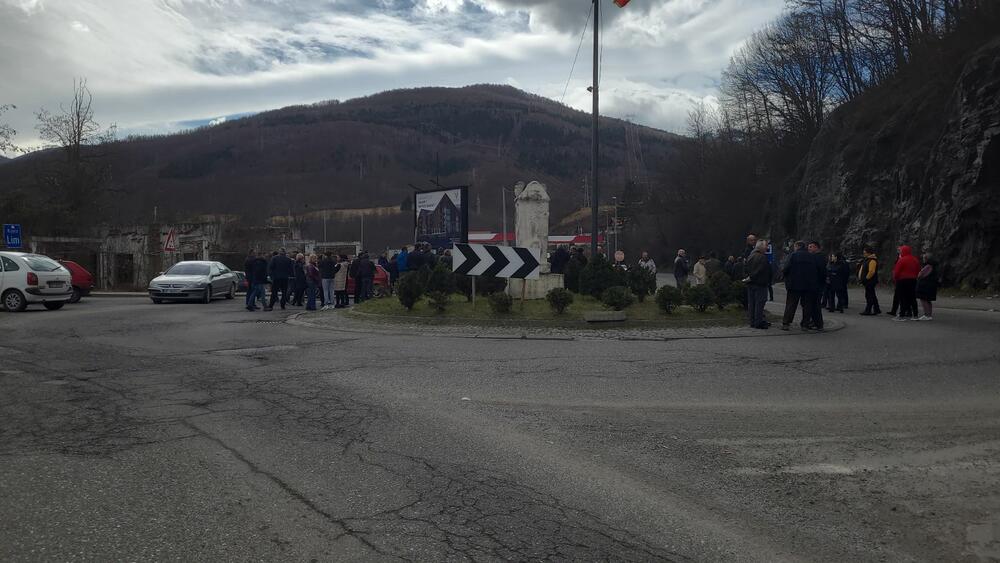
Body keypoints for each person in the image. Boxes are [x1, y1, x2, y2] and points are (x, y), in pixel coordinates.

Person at [781, 241, 821, 331]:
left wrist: (785, 277)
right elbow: (816, 270)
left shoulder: (793, 255)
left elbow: (786, 268)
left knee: (791, 305)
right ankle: (805, 324)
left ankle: (786, 323)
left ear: (797, 246)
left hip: (794, 284)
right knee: (807, 305)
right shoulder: (811, 257)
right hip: (808, 285)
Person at [744, 240, 771, 329]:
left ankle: (752, 321)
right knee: (759, 304)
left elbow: (746, 269)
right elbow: (762, 270)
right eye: (766, 246)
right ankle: (758, 322)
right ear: (761, 247)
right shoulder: (762, 257)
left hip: (751, 284)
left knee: (752, 304)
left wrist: (748, 278)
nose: (767, 248)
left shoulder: (751, 256)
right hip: (760, 283)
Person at [892, 245, 920, 321]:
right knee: (912, 297)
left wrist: (895, 279)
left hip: (902, 280)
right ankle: (915, 315)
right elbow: (918, 270)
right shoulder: (915, 259)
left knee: (902, 298)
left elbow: (897, 271)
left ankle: (902, 315)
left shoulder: (902, 260)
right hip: (913, 280)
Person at [805, 241, 826, 330]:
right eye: (808, 247)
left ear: (816, 248)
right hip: (815, 285)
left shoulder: (818, 257)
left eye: (811, 247)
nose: (809, 248)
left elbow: (821, 272)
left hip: (816, 285)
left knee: (815, 305)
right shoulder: (815, 257)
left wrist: (818, 283)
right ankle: (815, 322)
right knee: (813, 305)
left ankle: (818, 323)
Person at [858, 245, 881, 315]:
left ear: (869, 253)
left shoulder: (872, 260)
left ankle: (868, 310)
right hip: (868, 281)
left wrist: (866, 278)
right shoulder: (867, 260)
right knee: (872, 295)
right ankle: (877, 309)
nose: (864, 254)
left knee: (869, 295)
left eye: (865, 253)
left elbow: (871, 271)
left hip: (870, 281)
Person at [916, 252, 938, 321]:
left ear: (927, 259)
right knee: (928, 300)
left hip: (925, 285)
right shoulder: (934, 266)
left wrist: (919, 274)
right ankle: (929, 314)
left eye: (924, 258)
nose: (923, 259)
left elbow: (920, 274)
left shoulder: (928, 266)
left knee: (924, 299)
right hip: (931, 285)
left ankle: (926, 314)